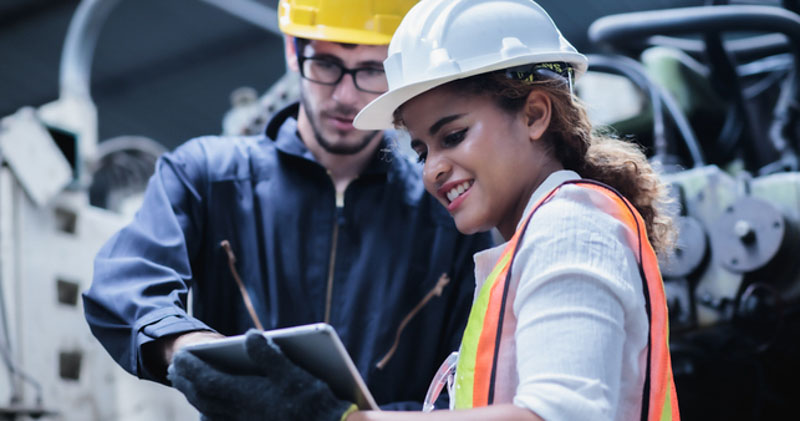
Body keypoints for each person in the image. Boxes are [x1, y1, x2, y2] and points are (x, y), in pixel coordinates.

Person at [82, 0, 493, 419]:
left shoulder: (445, 213)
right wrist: (187, 348)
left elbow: (467, 383)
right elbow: (125, 284)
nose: (346, 95)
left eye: (372, 70)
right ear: (293, 52)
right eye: (327, 63)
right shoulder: (206, 176)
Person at [344, 0, 680, 419]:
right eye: (421, 151)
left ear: (534, 115)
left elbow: (559, 415)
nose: (432, 170)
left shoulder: (570, 227)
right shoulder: (540, 237)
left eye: (453, 136)